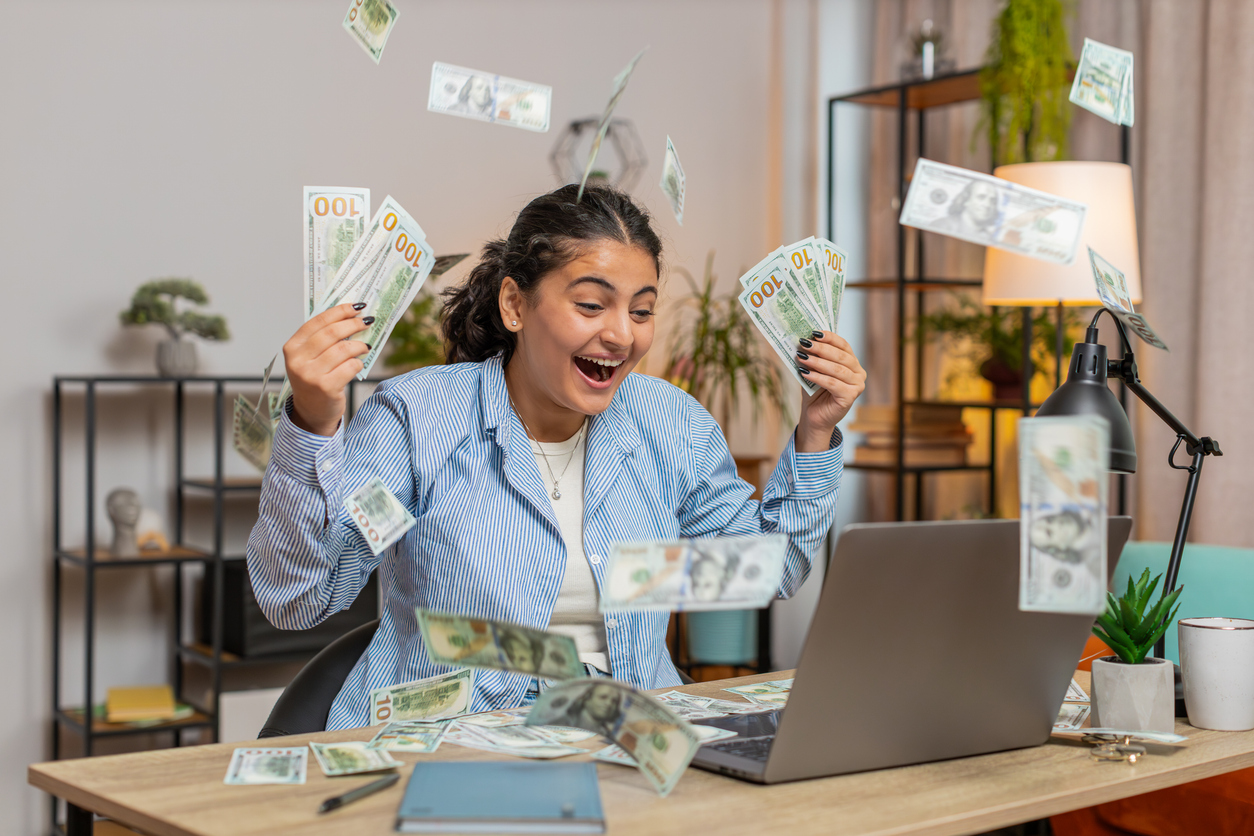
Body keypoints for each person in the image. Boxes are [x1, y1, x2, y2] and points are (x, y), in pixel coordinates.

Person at [247, 184, 866, 730]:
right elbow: (301, 596)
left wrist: (815, 433)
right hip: (451, 746)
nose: (623, 334)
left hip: (631, 739)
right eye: (592, 305)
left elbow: (764, 570)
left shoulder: (671, 426)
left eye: (642, 310)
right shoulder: (420, 419)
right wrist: (312, 422)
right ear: (515, 305)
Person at [933, 180, 999, 242]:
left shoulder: (990, 238)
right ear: (966, 200)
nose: (987, 204)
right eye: (981, 197)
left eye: (992, 201)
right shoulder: (943, 226)